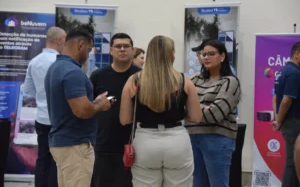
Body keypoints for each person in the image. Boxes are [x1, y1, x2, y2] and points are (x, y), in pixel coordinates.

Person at [120, 35, 202, 187]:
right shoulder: (185, 81)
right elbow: (196, 117)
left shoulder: (134, 81)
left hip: (145, 142)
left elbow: (125, 119)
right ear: (171, 54)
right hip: (177, 141)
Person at [44, 27, 113, 187]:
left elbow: (73, 105)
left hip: (62, 142)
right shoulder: (72, 72)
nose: (89, 55)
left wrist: (93, 103)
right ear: (81, 45)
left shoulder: (55, 68)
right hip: (75, 145)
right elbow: (82, 111)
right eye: (89, 50)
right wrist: (100, 105)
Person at [186, 40, 241, 187]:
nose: (206, 57)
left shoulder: (230, 82)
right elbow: (180, 106)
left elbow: (216, 114)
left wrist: (192, 108)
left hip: (217, 138)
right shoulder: (195, 79)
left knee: (218, 184)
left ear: (222, 56)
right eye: (203, 54)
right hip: (192, 137)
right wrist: (203, 107)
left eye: (211, 54)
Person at [90, 33, 141, 187]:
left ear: (132, 50)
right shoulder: (98, 76)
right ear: (111, 50)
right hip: (105, 142)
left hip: (135, 142)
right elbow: (89, 107)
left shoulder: (141, 76)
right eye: (118, 46)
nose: (122, 49)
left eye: (126, 46)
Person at [23, 26, 66, 187]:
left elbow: (28, 90)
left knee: (42, 159)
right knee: (57, 160)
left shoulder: (34, 61)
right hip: (59, 119)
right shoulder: (61, 63)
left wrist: (42, 95)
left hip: (41, 118)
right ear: (59, 40)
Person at [272, 42, 300, 187]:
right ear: (298, 54)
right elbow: (286, 100)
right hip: (294, 122)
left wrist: (278, 119)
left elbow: (276, 97)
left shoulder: (283, 71)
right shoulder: (295, 73)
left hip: (289, 122)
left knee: (294, 161)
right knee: (293, 162)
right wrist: (280, 121)